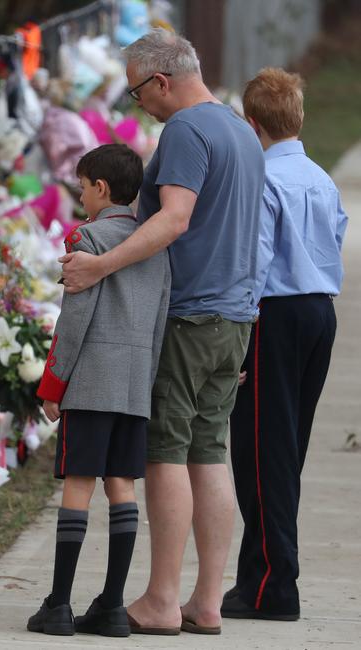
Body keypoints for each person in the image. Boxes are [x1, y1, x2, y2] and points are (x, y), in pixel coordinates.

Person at [59, 28, 265, 635]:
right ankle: (206, 600)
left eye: (136, 93)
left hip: (189, 313)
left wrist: (99, 265)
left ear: (161, 81)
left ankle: (161, 599)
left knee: (167, 453)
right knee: (211, 452)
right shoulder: (239, 131)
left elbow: (174, 220)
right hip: (233, 317)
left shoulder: (185, 132)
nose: (138, 105)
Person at [27, 143, 170, 637]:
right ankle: (111, 604)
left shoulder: (87, 238)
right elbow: (158, 325)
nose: (80, 196)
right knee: (121, 487)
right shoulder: (155, 244)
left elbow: (74, 320)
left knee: (79, 485)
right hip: (133, 386)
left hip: (89, 384)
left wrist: (53, 384)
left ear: (101, 189)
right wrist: (145, 384)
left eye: (83, 187)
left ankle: (59, 604)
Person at [222, 67, 347, 621]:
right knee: (285, 450)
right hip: (320, 311)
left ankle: (276, 586)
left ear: (252, 126)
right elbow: (335, 236)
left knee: (259, 453)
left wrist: (237, 330)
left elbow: (254, 260)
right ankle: (257, 574)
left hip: (271, 315)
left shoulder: (262, 180)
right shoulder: (320, 177)